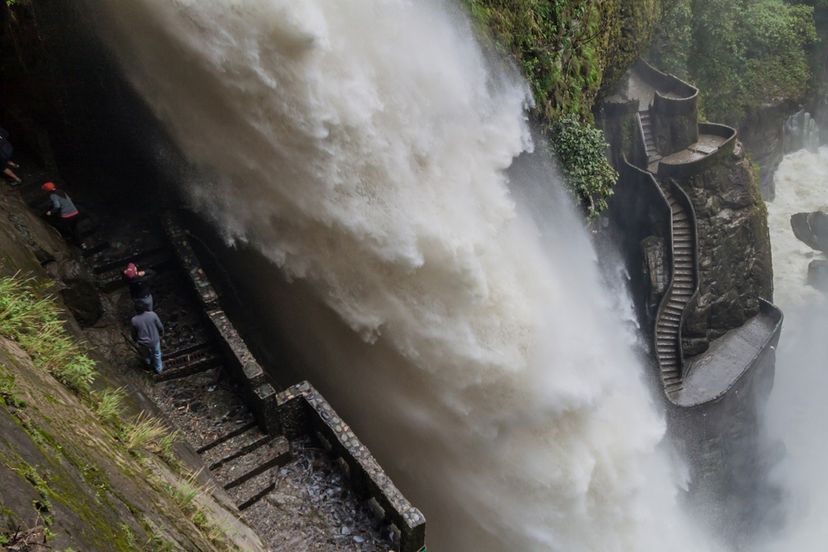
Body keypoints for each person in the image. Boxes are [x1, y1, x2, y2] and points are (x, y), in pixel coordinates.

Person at [42, 181, 83, 247]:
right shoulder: (61, 191)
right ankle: (80, 243)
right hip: (75, 213)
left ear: (47, 190)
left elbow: (57, 206)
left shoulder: (53, 195)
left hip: (67, 216)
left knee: (58, 225)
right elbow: (68, 199)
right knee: (74, 228)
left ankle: (68, 239)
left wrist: (51, 212)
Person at [131, 302, 164, 374]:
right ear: (144, 308)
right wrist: (161, 333)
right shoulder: (152, 315)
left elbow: (134, 333)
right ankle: (158, 369)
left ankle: (148, 364)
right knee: (157, 354)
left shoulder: (134, 320)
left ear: (136, 310)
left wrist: (135, 339)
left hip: (143, 343)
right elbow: (160, 326)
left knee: (146, 355)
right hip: (154, 340)